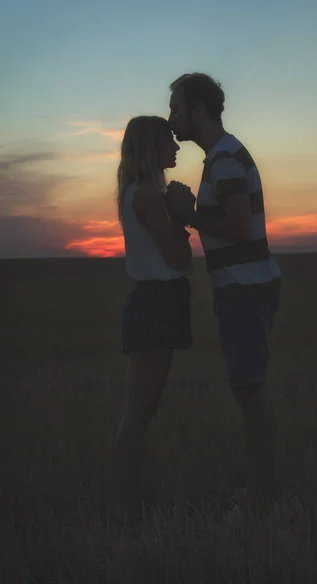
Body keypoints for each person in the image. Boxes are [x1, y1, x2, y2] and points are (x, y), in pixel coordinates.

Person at [167, 73, 282, 520]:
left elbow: (239, 227)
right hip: (245, 285)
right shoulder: (221, 157)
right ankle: (258, 491)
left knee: (250, 393)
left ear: (197, 111)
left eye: (176, 108)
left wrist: (187, 214)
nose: (171, 117)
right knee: (250, 390)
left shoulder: (227, 158)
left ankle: (258, 499)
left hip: (245, 288)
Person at [113, 116, 195, 523]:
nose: (177, 148)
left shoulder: (141, 193)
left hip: (159, 301)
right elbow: (179, 258)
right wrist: (183, 217)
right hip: (156, 302)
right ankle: (127, 510)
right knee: (139, 412)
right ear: (152, 148)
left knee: (143, 410)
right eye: (170, 142)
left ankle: (132, 503)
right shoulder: (146, 196)